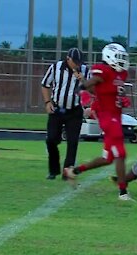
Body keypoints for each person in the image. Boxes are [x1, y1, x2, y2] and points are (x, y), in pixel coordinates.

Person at [63, 43, 133, 201]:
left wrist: (121, 100)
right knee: (120, 154)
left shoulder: (121, 74)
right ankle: (123, 192)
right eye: (119, 57)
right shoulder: (104, 70)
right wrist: (82, 87)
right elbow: (92, 82)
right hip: (107, 117)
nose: (122, 61)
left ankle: (73, 171)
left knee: (107, 159)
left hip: (115, 115)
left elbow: (112, 90)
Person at [41, 48, 90, 180]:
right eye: (75, 62)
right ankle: (53, 170)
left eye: (79, 62)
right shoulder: (56, 67)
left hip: (74, 110)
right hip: (57, 109)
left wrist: (83, 81)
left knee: (72, 142)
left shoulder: (85, 70)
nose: (78, 65)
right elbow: (45, 85)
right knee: (51, 140)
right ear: (68, 59)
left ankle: (67, 172)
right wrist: (47, 102)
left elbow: (91, 90)